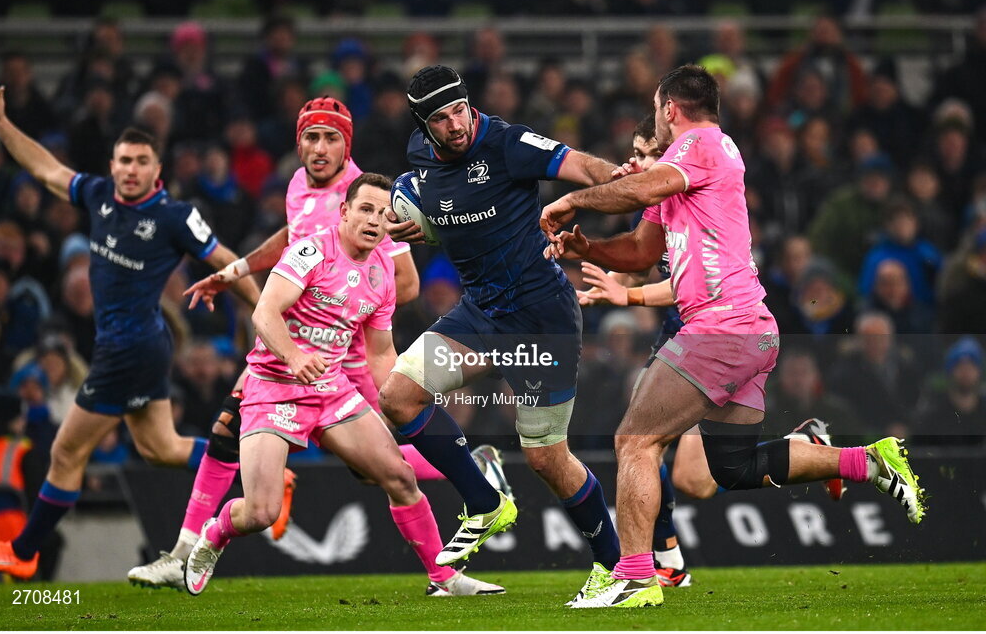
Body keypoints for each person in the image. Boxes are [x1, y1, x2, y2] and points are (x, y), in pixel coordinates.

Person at [541, 65, 926, 608]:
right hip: (749, 333)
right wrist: (587, 248)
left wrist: (575, 199)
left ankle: (634, 576)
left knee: (635, 440)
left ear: (670, 109)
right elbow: (641, 252)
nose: (655, 120)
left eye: (656, 110)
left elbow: (639, 190)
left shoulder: (705, 144)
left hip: (720, 328)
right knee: (733, 467)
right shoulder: (678, 175)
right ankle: (869, 461)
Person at [129, 97, 506, 592]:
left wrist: (389, 369)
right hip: (284, 370)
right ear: (299, 143)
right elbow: (282, 265)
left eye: (332, 137)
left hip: (337, 372)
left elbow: (389, 322)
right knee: (252, 481)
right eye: (312, 136)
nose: (321, 147)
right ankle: (199, 542)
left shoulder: (370, 218)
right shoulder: (304, 198)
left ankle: (445, 572)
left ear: (347, 145)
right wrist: (239, 272)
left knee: (389, 473)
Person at [0, 72, 261, 580]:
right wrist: (1, 122)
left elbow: (226, 258)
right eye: (124, 160)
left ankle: (24, 551)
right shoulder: (98, 195)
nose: (131, 169)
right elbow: (46, 169)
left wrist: (263, 311)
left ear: (157, 169)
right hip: (135, 346)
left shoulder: (173, 216)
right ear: (112, 165)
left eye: (141, 161)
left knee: (65, 450)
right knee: (160, 448)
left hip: (130, 348)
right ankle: (263, 471)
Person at [548, 115, 845, 590]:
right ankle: (810, 448)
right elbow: (635, 260)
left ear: (668, 150)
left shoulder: (699, 193)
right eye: (634, 153)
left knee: (643, 443)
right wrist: (598, 267)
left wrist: (631, 294)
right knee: (692, 476)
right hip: (687, 331)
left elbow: (684, 280)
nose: (636, 162)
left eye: (646, 153)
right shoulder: (660, 201)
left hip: (715, 332)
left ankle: (659, 562)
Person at [377, 64, 624, 604]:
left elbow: (580, 165)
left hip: (541, 319)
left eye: (461, 111)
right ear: (424, 126)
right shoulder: (420, 159)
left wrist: (631, 180)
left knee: (546, 459)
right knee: (398, 396)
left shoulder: (509, 143)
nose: (456, 125)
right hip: (481, 316)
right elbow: (436, 203)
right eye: (441, 119)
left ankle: (616, 566)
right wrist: (419, 222)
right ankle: (484, 500)